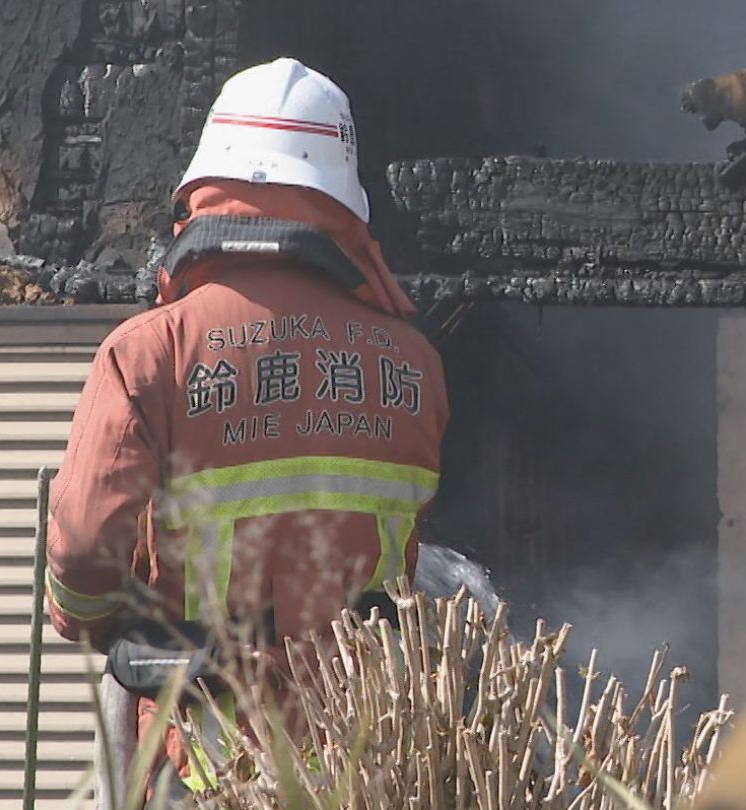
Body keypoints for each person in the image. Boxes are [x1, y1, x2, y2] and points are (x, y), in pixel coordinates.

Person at [46, 56, 449, 797]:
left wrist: (105, 623)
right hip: (371, 755)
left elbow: (79, 555)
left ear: (204, 194)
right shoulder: (414, 364)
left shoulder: (149, 353)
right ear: (342, 205)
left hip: (207, 753)